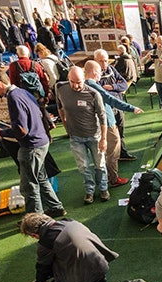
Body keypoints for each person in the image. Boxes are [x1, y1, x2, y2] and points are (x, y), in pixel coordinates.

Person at [0, 68, 65, 217]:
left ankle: (36, 219)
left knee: (29, 185)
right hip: (40, 141)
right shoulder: (22, 92)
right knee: (40, 178)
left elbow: (21, 130)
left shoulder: (13, 97)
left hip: (30, 146)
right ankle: (55, 207)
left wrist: (1, 133)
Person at [20, 213, 117, 282]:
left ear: (34, 234)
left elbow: (43, 266)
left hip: (86, 272)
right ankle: (97, 279)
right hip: (100, 264)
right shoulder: (69, 221)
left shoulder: (46, 242)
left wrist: (40, 281)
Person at [84, 60, 143, 188]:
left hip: (95, 123)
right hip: (107, 122)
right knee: (112, 150)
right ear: (94, 72)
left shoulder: (85, 85)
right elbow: (110, 98)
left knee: (103, 153)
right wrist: (131, 108)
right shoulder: (93, 85)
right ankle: (113, 178)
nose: (101, 74)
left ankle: (105, 177)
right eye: (99, 71)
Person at [56, 66, 109, 205]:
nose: (76, 85)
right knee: (83, 167)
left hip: (94, 135)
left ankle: (103, 188)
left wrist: (103, 139)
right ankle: (89, 191)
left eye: (79, 82)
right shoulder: (60, 89)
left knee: (100, 165)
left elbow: (103, 117)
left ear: (84, 79)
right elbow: (60, 107)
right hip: (75, 137)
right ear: (68, 79)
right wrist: (65, 125)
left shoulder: (93, 94)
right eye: (72, 82)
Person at [94, 49, 134, 161]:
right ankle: (112, 158)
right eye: (101, 61)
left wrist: (113, 87)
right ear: (95, 61)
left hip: (118, 106)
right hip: (106, 109)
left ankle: (122, 152)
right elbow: (101, 94)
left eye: (106, 61)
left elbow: (124, 85)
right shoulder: (94, 74)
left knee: (120, 131)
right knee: (111, 135)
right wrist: (115, 89)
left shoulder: (111, 69)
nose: (104, 64)